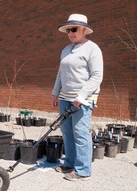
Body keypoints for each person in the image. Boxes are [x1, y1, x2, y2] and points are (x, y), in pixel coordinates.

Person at [51, 14, 103, 181]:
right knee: (66, 131)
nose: (70, 32)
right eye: (68, 29)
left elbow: (96, 76)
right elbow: (61, 73)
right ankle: (70, 162)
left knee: (80, 132)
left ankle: (83, 170)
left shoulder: (92, 48)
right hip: (66, 97)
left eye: (74, 29)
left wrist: (81, 96)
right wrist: (55, 93)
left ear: (83, 30)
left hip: (84, 98)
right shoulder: (66, 50)